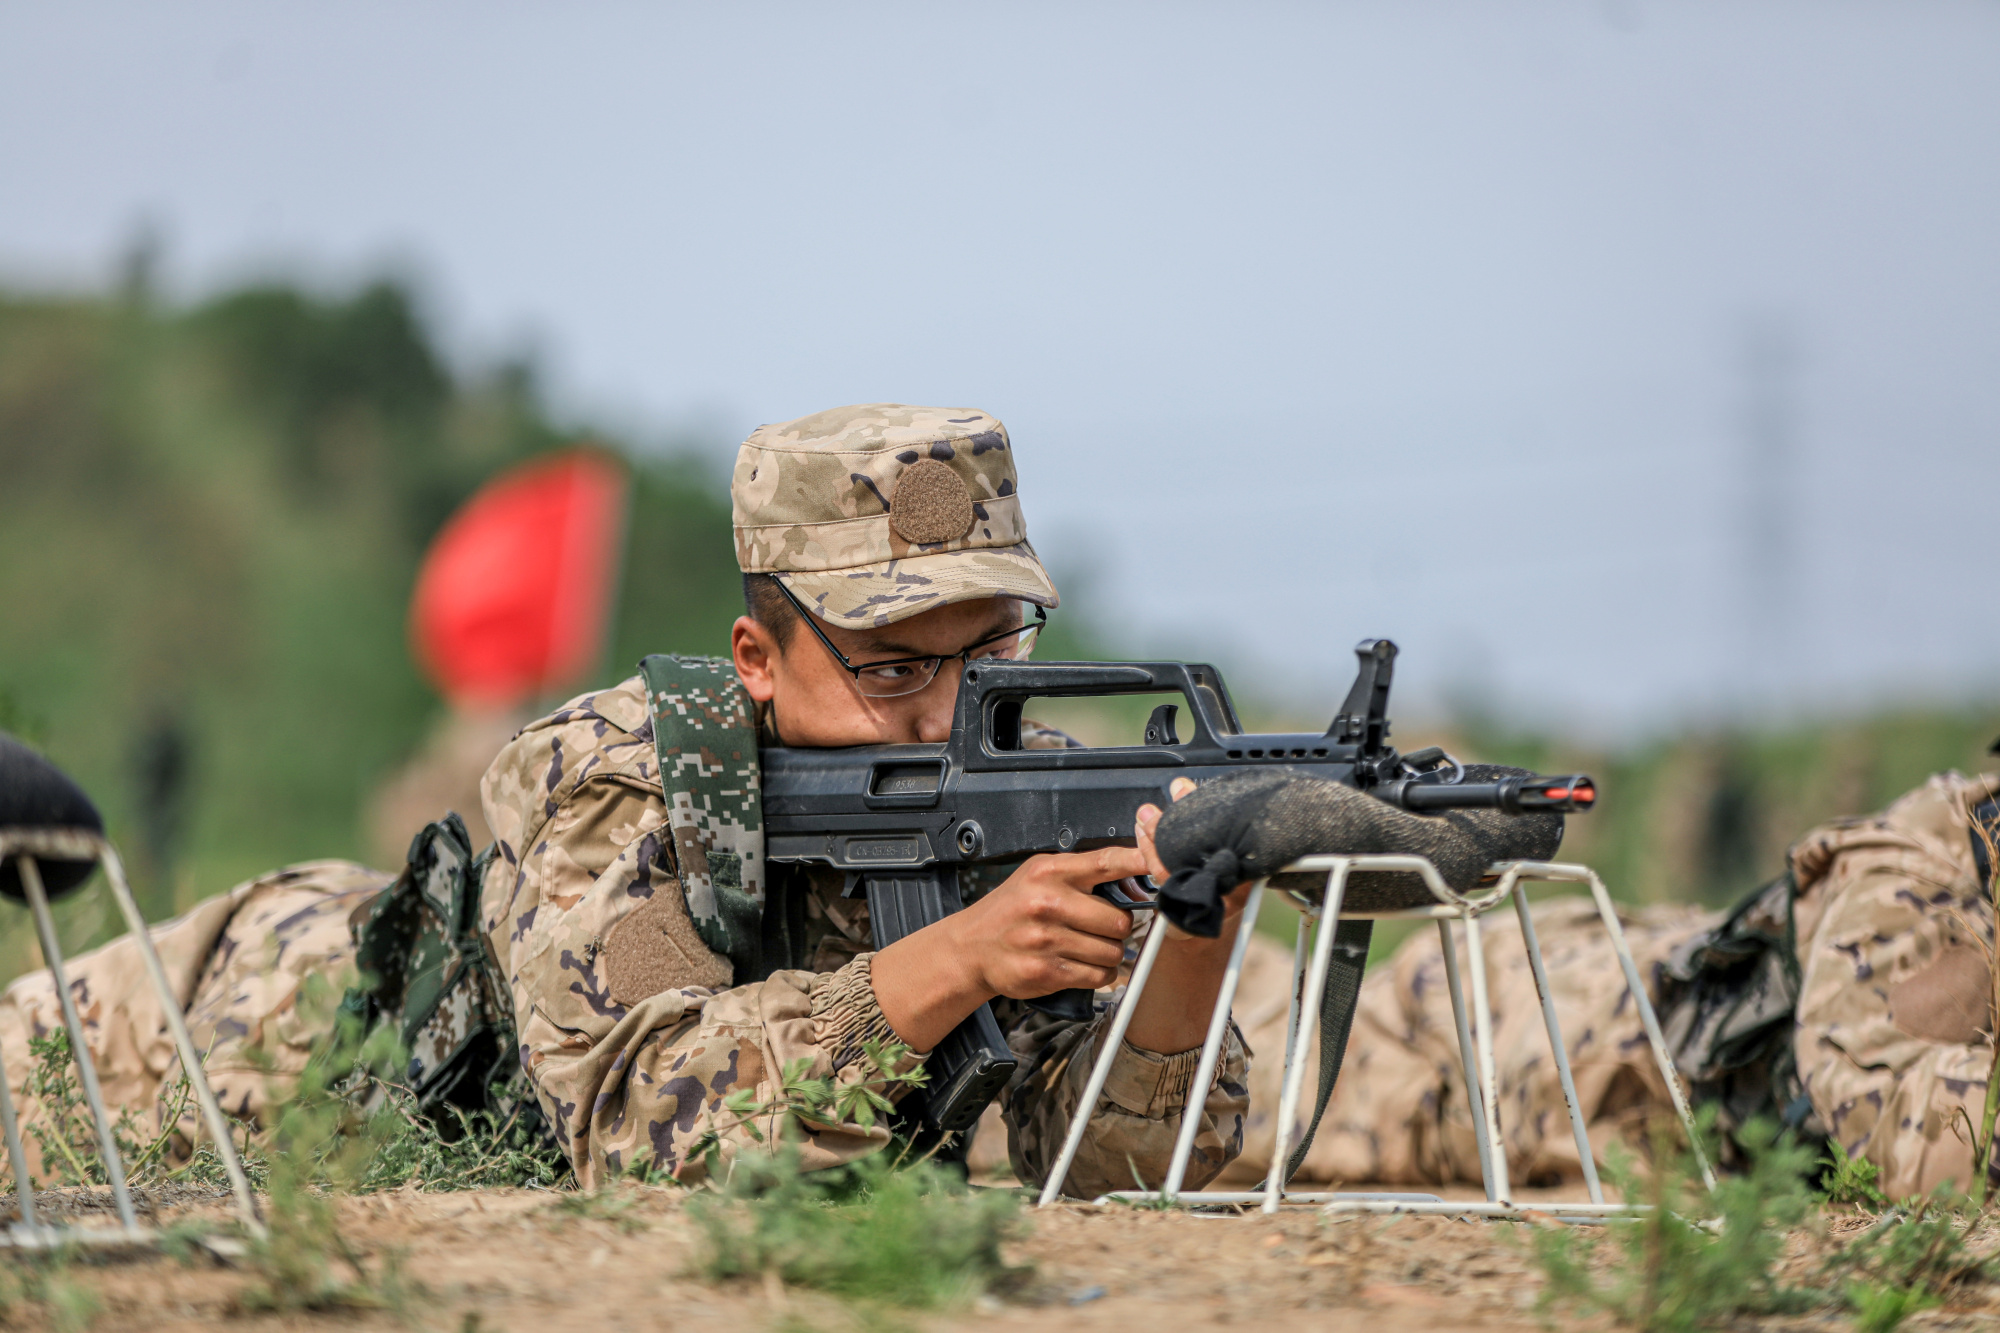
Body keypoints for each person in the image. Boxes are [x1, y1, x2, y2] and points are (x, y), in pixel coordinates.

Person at [0, 403, 1253, 1198]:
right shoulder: (634, 777)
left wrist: (1196, 931)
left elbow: (1108, 1167)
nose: (945, 713)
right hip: (208, 1043)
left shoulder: (1036, 782)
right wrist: (960, 960)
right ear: (757, 661)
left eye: (991, 658)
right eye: (890, 668)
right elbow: (641, 1126)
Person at [1217, 768, 2000, 1202]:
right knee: (1196, 1085)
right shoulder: (1942, 855)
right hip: (1483, 1035)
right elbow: (1893, 1121)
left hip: (1561, 1036)